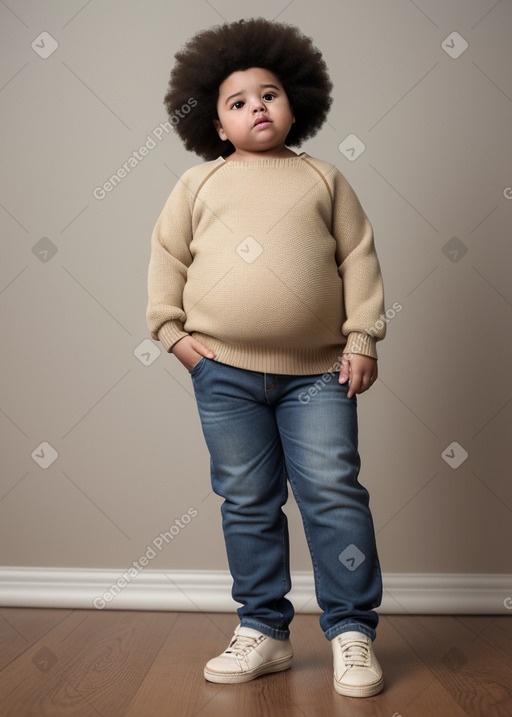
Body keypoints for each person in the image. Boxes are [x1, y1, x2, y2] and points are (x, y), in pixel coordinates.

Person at [146, 17, 386, 698]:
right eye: (239, 100)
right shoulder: (198, 186)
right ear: (217, 125)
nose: (257, 106)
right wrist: (176, 338)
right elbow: (167, 260)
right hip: (222, 371)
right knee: (247, 500)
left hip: (320, 372)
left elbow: (359, 259)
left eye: (270, 93)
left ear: (296, 104)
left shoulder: (324, 179)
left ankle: (351, 631)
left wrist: (362, 337)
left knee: (334, 495)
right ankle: (264, 629)